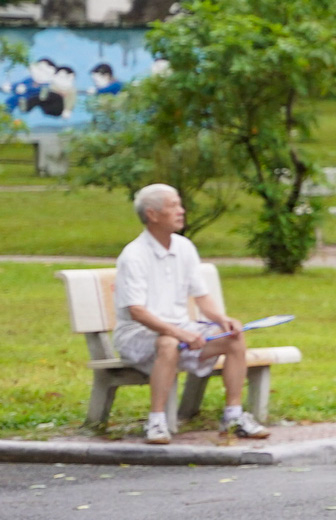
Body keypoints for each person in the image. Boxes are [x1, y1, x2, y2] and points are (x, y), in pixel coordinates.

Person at [114, 184, 270, 445]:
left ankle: (233, 416)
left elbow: (202, 297)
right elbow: (137, 312)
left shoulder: (184, 247)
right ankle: (156, 421)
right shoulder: (134, 255)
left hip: (181, 329)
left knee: (233, 338)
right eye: (174, 205)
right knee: (168, 342)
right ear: (152, 214)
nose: (181, 211)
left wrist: (222, 320)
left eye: (180, 204)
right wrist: (179, 332)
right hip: (138, 336)